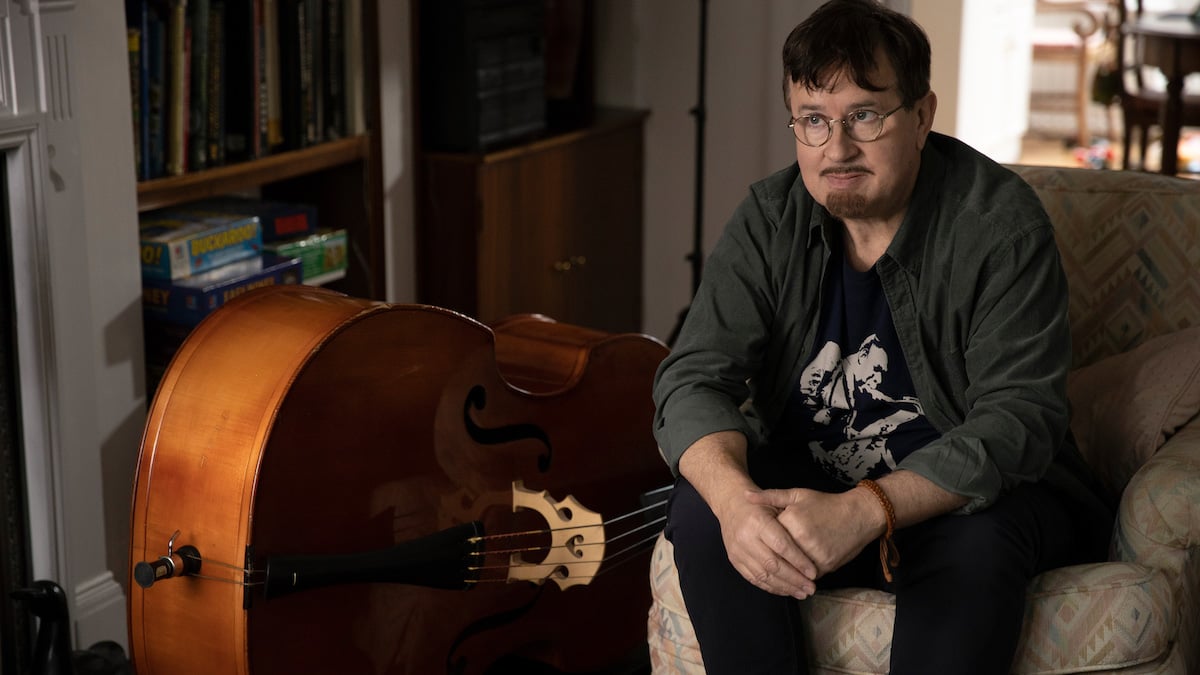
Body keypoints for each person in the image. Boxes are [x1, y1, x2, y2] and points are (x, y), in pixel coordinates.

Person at [651, 1, 1114, 673]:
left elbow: (1019, 421)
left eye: (864, 115)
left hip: (959, 500)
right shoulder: (769, 218)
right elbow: (693, 375)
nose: (836, 148)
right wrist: (735, 502)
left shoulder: (999, 227)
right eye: (813, 120)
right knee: (701, 510)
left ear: (922, 115)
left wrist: (869, 509)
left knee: (977, 545)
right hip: (814, 479)